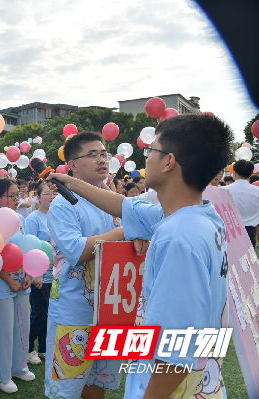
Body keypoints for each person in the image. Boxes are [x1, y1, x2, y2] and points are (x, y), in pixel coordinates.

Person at [46, 113, 232, 398]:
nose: (146, 158)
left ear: (169, 162)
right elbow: (124, 206)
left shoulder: (177, 237)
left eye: (151, 150)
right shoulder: (197, 218)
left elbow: (176, 352)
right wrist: (72, 183)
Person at [45, 132, 124, 399]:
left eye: (104, 154)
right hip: (74, 311)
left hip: (110, 310)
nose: (102, 160)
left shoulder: (112, 202)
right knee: (66, 390)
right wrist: (128, 230)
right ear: (72, 166)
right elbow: (77, 251)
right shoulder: (63, 204)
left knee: (98, 384)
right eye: (92, 155)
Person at [0, 178, 34, 393]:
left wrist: (28, 275)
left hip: (21, 282)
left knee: (22, 327)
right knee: (3, 332)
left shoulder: (19, 219)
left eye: (19, 194)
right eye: (12, 195)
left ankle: (19, 366)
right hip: (0, 285)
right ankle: (1, 375)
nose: (17, 199)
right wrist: (9, 280)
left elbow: (24, 248)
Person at [25, 182, 56, 366]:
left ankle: (44, 347)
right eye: (47, 193)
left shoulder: (58, 217)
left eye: (54, 193)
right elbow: (30, 248)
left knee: (50, 313)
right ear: (38, 197)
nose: (51, 196)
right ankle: (29, 348)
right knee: (38, 312)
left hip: (56, 274)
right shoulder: (33, 219)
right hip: (40, 275)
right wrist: (35, 274)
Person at [225, 159, 259, 247]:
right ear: (251, 174)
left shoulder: (223, 190)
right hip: (250, 231)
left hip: (230, 230)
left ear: (234, 173)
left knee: (231, 258)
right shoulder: (257, 191)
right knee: (249, 259)